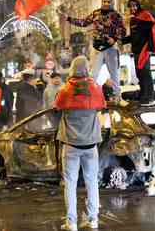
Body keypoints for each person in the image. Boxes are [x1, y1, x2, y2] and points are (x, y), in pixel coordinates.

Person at [54, 56, 106, 231]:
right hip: (91, 145)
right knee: (92, 182)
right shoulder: (95, 88)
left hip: (71, 144)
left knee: (70, 183)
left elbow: (57, 107)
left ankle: (72, 223)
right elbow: (101, 107)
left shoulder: (65, 89)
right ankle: (93, 220)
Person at [61, 0, 126, 97]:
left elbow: (123, 30)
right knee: (93, 73)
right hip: (97, 48)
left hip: (110, 48)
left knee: (114, 73)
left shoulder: (116, 15)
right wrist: (69, 19)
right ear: (101, 1)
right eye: (104, 1)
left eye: (108, 2)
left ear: (112, 2)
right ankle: (89, 95)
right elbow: (83, 22)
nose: (106, 3)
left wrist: (114, 39)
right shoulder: (96, 13)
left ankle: (117, 96)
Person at [121, 0, 155, 104]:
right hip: (136, 51)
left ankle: (149, 96)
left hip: (144, 50)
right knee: (139, 74)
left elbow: (153, 28)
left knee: (145, 73)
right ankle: (143, 94)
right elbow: (133, 37)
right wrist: (122, 40)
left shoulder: (145, 16)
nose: (133, 8)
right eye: (131, 6)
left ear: (138, 6)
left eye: (135, 6)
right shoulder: (133, 20)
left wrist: (150, 47)